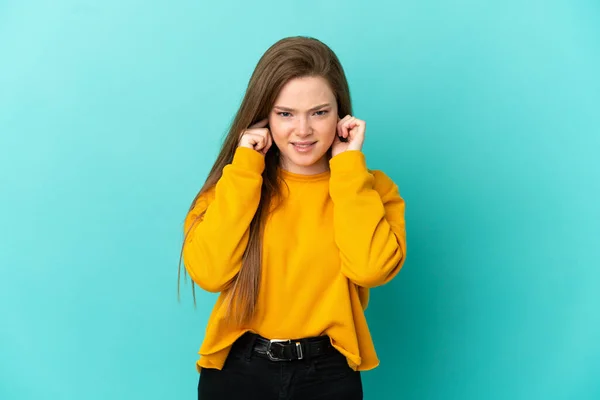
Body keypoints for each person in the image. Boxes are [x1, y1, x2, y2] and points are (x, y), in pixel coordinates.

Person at [179, 36, 407, 400]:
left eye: (319, 112)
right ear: (265, 116)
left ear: (341, 115)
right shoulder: (236, 182)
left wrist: (347, 168)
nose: (303, 130)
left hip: (328, 375)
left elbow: (371, 270)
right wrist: (246, 168)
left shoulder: (370, 189)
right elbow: (210, 273)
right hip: (238, 372)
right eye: (285, 114)